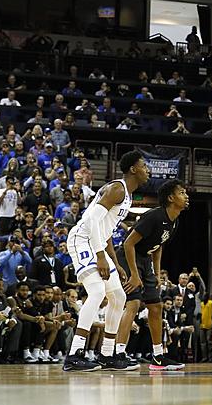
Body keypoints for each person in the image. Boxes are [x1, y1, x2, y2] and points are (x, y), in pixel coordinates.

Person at [63, 151, 149, 372]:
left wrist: (114, 261)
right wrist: (101, 256)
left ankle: (108, 354)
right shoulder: (117, 189)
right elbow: (91, 221)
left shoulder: (127, 195)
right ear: (133, 169)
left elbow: (105, 229)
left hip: (98, 244)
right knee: (97, 291)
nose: (147, 170)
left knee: (118, 296)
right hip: (83, 240)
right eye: (143, 166)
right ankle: (74, 354)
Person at [115, 179, 189, 371]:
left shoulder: (175, 221)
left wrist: (156, 272)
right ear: (171, 198)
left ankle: (158, 357)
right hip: (128, 257)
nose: (186, 196)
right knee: (133, 303)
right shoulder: (153, 217)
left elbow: (158, 246)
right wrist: (133, 274)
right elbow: (128, 244)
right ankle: (119, 354)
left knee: (156, 307)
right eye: (182, 193)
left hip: (145, 259)